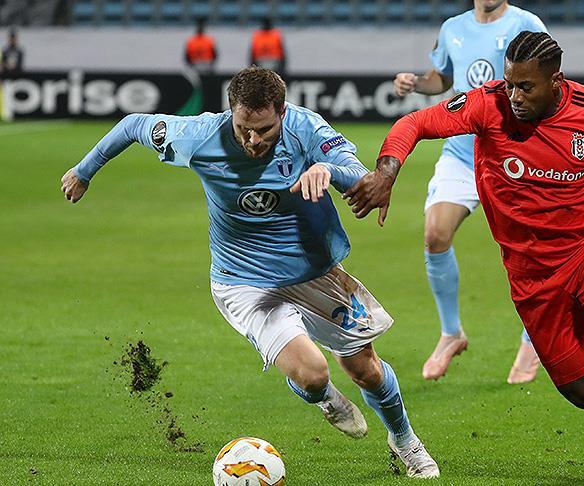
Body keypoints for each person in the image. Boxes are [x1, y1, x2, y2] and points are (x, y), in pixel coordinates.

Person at [346, 32, 584, 486]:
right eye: (510, 83)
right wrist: (387, 171)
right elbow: (413, 124)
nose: (513, 96)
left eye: (526, 87)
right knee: (583, 391)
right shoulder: (487, 104)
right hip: (530, 275)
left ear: (556, 81)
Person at [60, 67, 438, 479]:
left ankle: (405, 441)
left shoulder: (306, 128)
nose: (253, 140)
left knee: (366, 370)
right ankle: (324, 397)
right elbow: (134, 125)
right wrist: (84, 170)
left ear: (282, 112)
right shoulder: (199, 136)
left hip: (313, 271)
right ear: (231, 113)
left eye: (264, 130)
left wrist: (328, 171)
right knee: (314, 374)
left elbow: (358, 172)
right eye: (244, 129)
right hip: (244, 281)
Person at [392, 0, 546, 384]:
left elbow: (548, 84)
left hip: (514, 156)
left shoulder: (526, 23)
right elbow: (443, 79)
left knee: (531, 250)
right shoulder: (452, 28)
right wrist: (417, 83)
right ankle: (451, 333)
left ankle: (533, 338)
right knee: (435, 234)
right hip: (463, 153)